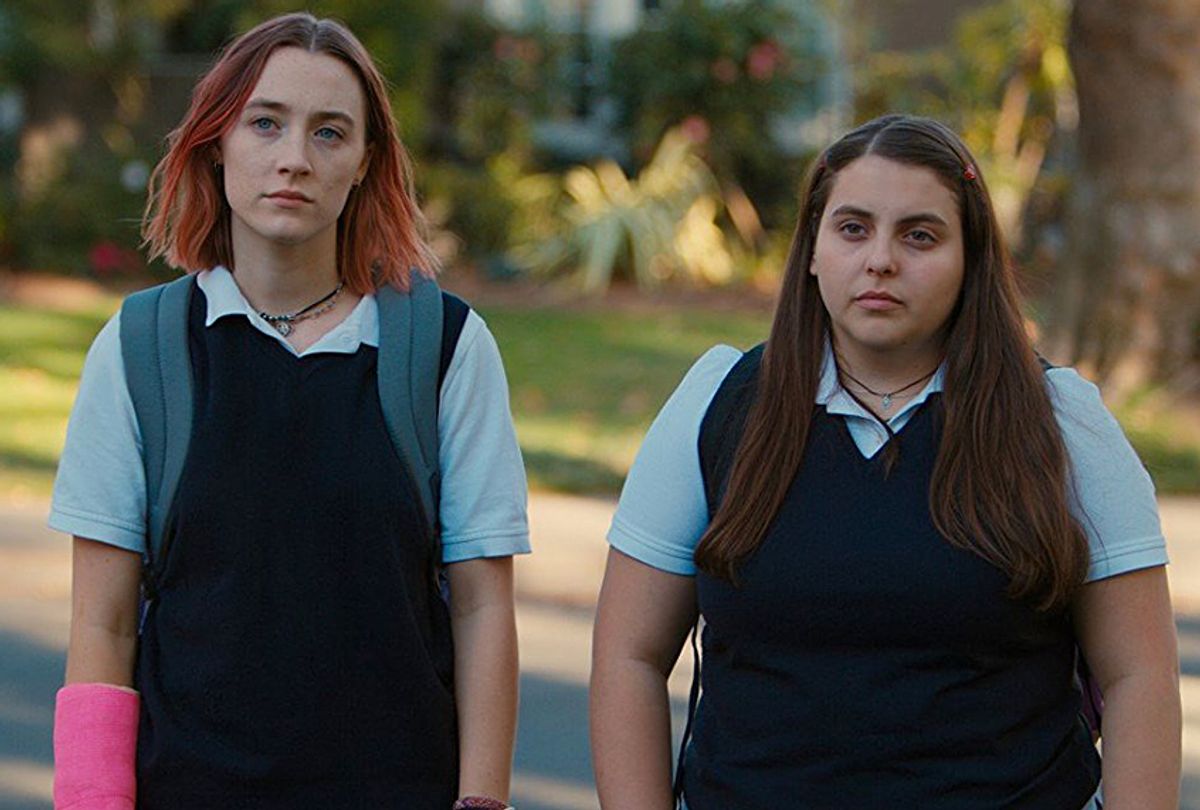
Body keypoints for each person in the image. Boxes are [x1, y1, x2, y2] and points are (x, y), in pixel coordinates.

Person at [590, 114, 1180, 810]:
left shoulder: (1060, 421)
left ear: (972, 259)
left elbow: (1140, 675)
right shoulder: (719, 405)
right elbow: (629, 657)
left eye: (920, 235)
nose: (880, 260)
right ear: (811, 249)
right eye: (852, 228)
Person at [49, 13, 527, 810]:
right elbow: (103, 625)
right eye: (265, 123)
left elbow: (482, 604)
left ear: (365, 163)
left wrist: (482, 803)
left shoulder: (442, 347)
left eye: (330, 133)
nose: (294, 160)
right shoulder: (141, 349)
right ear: (217, 142)